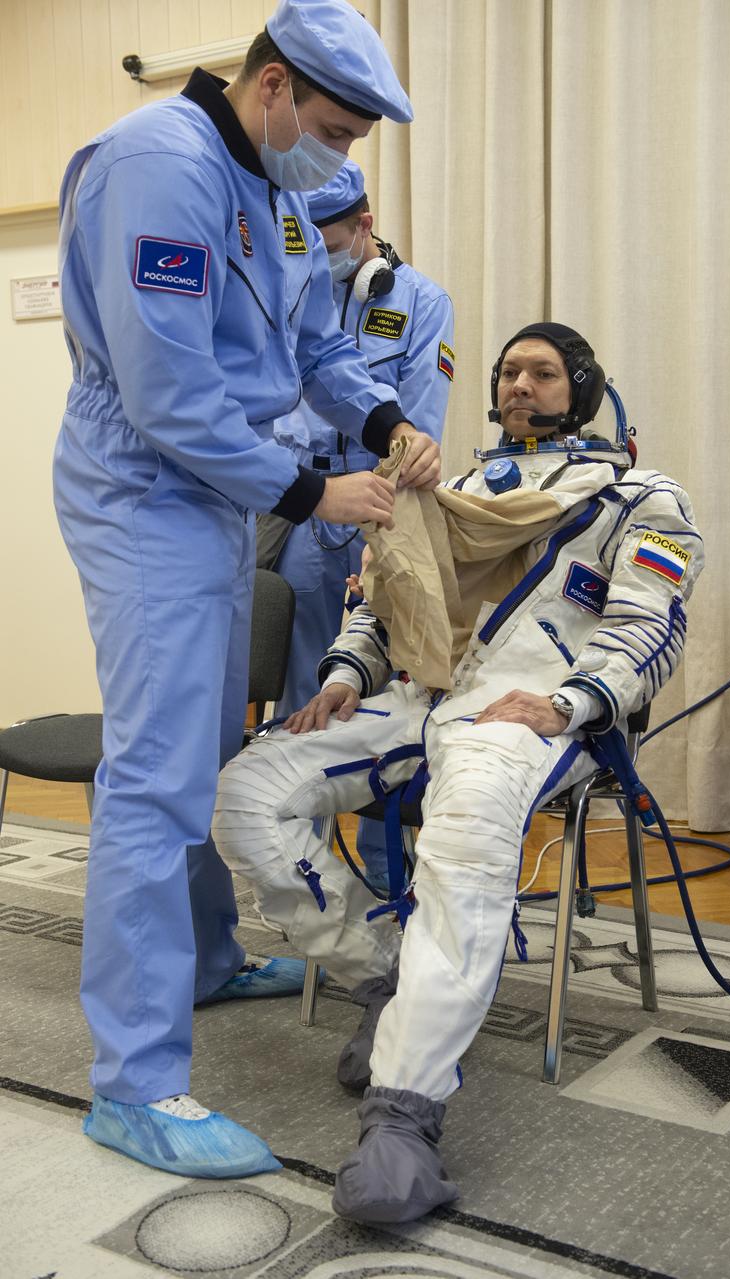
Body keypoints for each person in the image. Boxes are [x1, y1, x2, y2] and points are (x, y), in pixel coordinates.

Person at [52, 0, 441, 1180]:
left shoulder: (271, 190)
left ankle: (210, 958)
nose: (338, 157)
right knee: (155, 781)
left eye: (354, 143)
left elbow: (312, 347)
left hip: (215, 498)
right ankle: (131, 1082)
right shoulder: (154, 170)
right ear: (269, 87)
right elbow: (167, 394)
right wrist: (311, 496)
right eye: (329, 127)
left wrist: (382, 418)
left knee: (206, 747)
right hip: (145, 495)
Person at [213, 322, 704, 1219]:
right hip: (418, 691)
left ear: (582, 387)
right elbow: (383, 602)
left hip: (527, 707)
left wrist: (573, 700)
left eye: (543, 372)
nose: (521, 384)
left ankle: (403, 1113)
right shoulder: (447, 489)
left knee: (467, 832)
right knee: (250, 790)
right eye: (509, 371)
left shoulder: (637, 497)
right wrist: (340, 676)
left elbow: (647, 625)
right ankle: (386, 968)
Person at [267, 157, 454, 886]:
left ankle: (386, 878)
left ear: (364, 225)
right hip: (304, 503)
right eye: (302, 237)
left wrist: (381, 516)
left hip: (382, 508)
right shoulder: (291, 296)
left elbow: (417, 430)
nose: (316, 249)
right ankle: (301, 875)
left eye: (328, 233)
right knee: (307, 699)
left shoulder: (420, 301)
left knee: (381, 695)